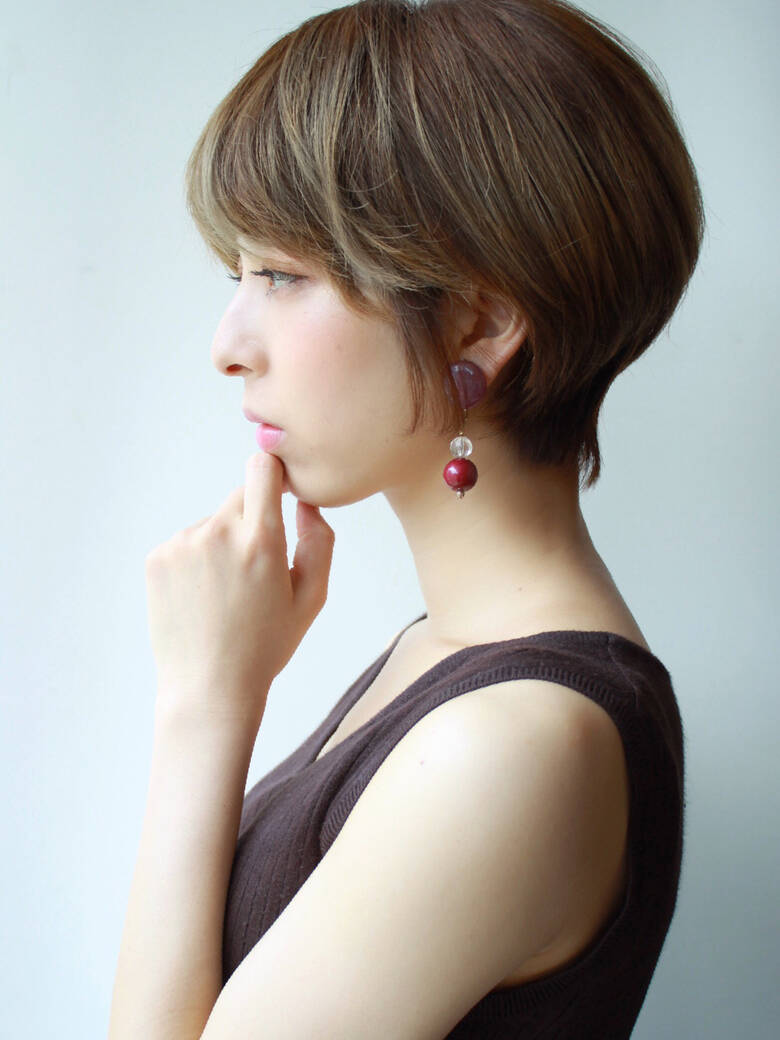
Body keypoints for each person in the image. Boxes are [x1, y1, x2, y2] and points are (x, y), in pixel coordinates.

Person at [108, 1, 703, 1037]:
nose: (228, 344)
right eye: (238, 274)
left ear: (479, 321)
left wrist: (204, 699)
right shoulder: (451, 654)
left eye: (282, 275)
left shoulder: (510, 744)